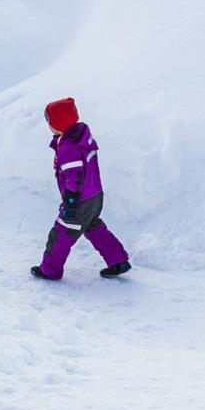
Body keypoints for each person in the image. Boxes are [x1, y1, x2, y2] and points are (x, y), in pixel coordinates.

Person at [32, 97, 132, 281]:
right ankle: (118, 260)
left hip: (79, 200)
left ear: (59, 123)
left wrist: (70, 203)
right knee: (92, 226)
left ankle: (50, 270)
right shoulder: (80, 136)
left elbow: (75, 177)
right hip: (94, 196)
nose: (48, 125)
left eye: (50, 121)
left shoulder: (69, 148)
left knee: (61, 234)